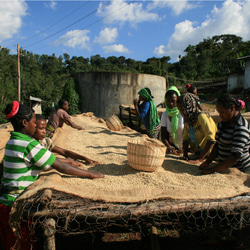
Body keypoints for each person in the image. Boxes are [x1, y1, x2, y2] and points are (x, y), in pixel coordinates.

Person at [0, 101, 104, 250]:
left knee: (9, 244)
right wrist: (89, 174)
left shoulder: (13, 141)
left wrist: (73, 161)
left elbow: (58, 159)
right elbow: (60, 166)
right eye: (34, 123)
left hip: (4, 202)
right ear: (24, 122)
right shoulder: (29, 144)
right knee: (22, 245)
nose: (36, 126)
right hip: (15, 205)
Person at [199, 94, 250, 175]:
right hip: (223, 166)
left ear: (232, 108)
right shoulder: (225, 122)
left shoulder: (240, 127)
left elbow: (235, 157)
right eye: (219, 112)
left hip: (240, 170)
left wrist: (212, 170)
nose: (220, 115)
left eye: (222, 112)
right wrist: (207, 162)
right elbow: (217, 145)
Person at [34, 114, 100, 166]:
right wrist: (70, 162)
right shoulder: (32, 145)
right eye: (41, 128)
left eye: (45, 129)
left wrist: (84, 158)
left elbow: (64, 152)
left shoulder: (45, 141)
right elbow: (48, 160)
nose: (44, 131)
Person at [177, 93, 217, 163]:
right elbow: (185, 139)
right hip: (198, 153)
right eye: (180, 110)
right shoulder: (188, 120)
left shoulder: (202, 117)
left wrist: (200, 159)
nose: (182, 113)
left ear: (189, 106)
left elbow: (211, 139)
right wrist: (185, 155)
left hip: (209, 155)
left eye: (182, 109)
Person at [161, 86, 184, 154]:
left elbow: (189, 134)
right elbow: (164, 135)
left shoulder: (182, 113)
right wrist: (168, 146)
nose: (171, 104)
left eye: (173, 101)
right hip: (175, 147)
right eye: (168, 101)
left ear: (178, 100)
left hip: (187, 148)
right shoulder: (165, 115)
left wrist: (184, 149)